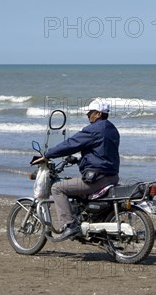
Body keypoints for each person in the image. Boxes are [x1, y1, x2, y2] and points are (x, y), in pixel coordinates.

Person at [31, 99, 120, 241]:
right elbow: (101, 152)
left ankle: (69, 225)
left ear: (98, 113)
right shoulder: (112, 129)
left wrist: (47, 155)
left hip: (97, 179)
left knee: (58, 188)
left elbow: (71, 144)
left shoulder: (93, 130)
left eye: (90, 112)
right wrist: (80, 160)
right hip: (112, 176)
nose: (87, 115)